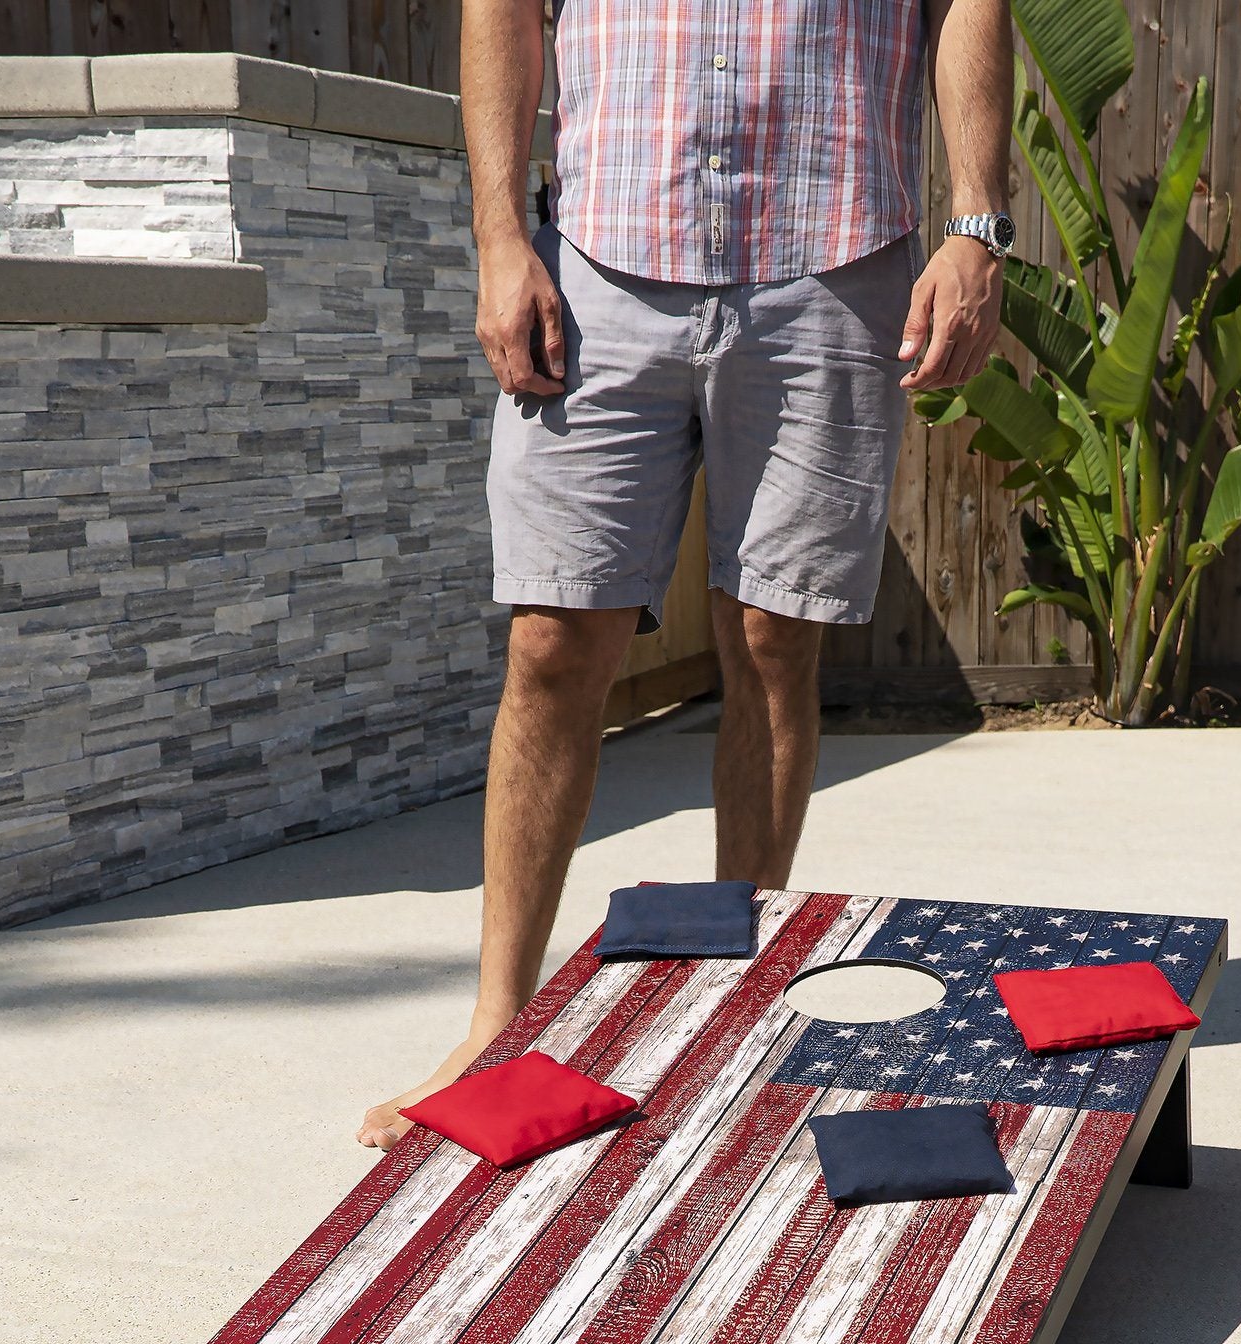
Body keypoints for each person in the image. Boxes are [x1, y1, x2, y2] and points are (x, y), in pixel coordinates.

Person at [359, 0, 1016, 1149]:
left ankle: (726, 1008)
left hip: (835, 255)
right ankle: (498, 1022)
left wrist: (976, 228)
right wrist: (499, 238)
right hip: (602, 256)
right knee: (553, 640)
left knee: (774, 641)